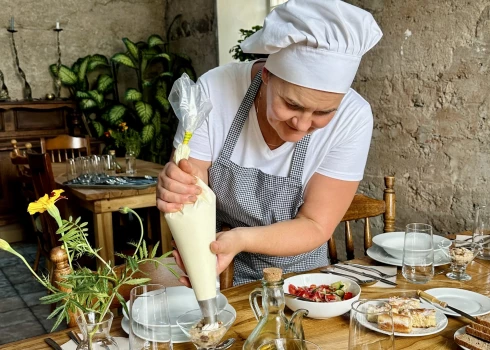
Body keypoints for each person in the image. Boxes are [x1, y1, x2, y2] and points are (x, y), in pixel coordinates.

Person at [157, 0, 383, 286]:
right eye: (291, 104)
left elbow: (315, 224)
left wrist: (240, 239)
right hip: (216, 261)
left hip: (301, 277)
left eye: (323, 112)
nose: (301, 124)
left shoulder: (354, 117)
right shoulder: (214, 90)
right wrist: (180, 187)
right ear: (266, 75)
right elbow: (194, 178)